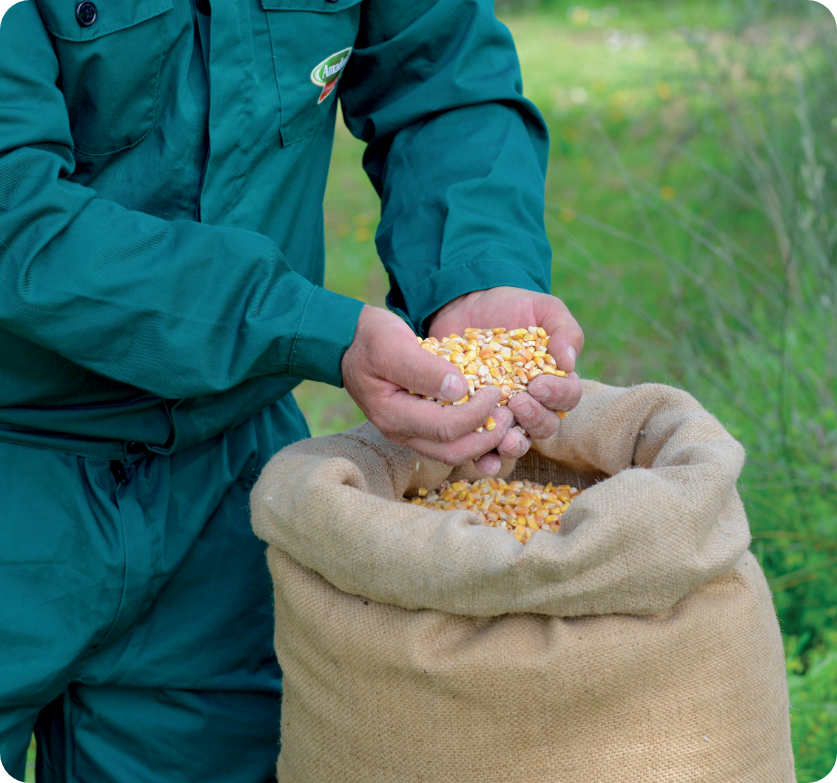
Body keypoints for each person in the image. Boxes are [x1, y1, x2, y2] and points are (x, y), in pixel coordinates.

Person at [0, 0, 583, 780]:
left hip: (225, 482)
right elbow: (17, 219)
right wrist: (306, 327)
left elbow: (441, 77)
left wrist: (474, 274)